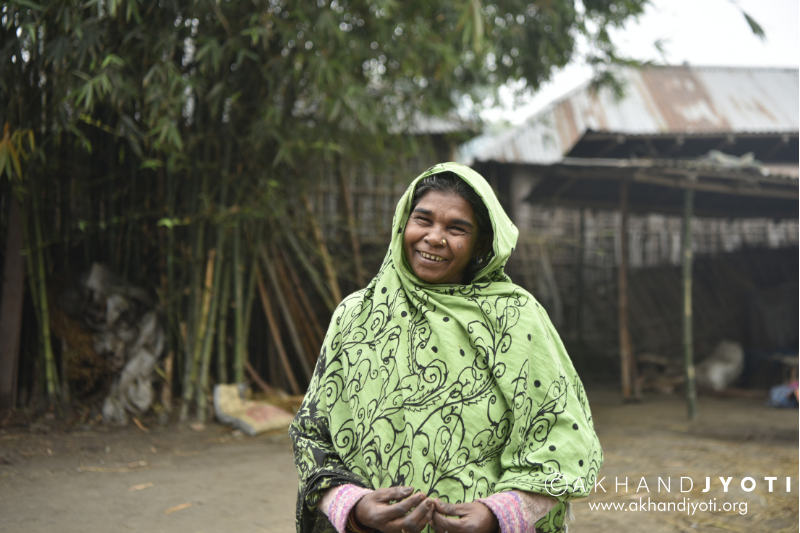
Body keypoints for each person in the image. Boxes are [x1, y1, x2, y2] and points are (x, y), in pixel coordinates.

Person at [290, 163, 603, 533]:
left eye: (457, 229)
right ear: (402, 224)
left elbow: (566, 439)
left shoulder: (515, 318)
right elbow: (312, 432)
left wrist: (499, 513)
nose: (434, 238)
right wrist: (352, 506)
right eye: (423, 220)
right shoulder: (356, 315)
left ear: (481, 244)